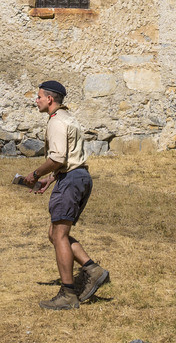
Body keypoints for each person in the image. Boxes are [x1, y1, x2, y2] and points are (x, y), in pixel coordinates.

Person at [16, 80, 110, 310]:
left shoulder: (56, 122)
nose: (35, 100)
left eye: (38, 96)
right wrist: (51, 178)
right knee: (55, 233)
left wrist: (35, 174)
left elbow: (57, 158)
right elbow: (70, 158)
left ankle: (68, 293)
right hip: (77, 178)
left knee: (58, 235)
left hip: (71, 180)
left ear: (50, 99)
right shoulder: (70, 119)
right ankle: (92, 269)